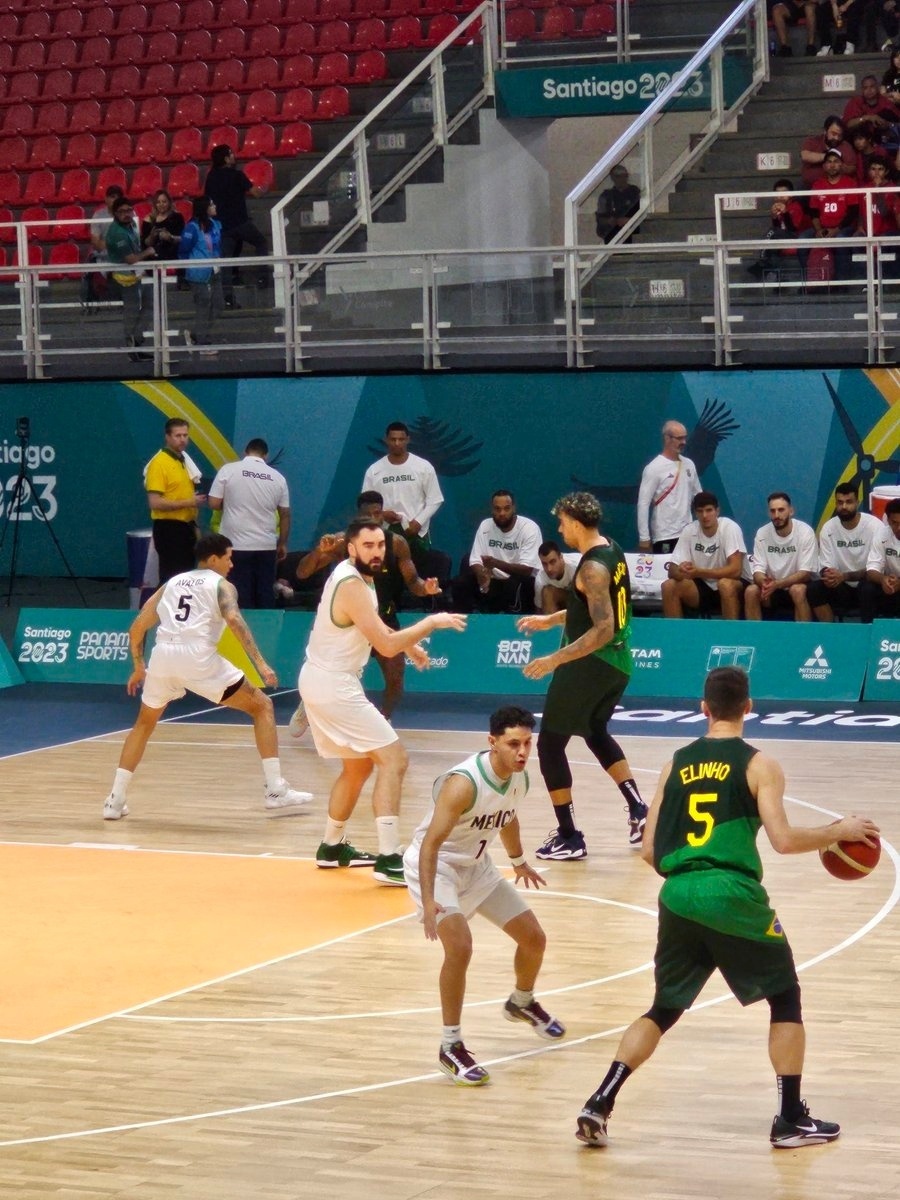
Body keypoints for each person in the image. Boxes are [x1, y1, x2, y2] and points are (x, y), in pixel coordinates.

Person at [575, 666, 880, 1150]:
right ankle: (789, 1119)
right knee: (785, 997)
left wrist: (689, 881)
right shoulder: (759, 764)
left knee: (664, 1007)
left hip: (677, 892)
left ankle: (600, 1101)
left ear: (704, 708)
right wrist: (835, 832)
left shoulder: (675, 762)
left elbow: (650, 850)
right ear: (749, 708)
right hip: (731, 893)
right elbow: (782, 840)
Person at [298, 518, 467, 885]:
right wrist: (431, 623)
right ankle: (390, 858)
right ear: (351, 548)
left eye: (380, 546)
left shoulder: (359, 578)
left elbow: (375, 629)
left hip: (325, 680)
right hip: (333, 684)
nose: (376, 552)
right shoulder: (351, 584)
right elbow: (385, 645)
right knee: (394, 759)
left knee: (357, 767)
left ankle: (331, 846)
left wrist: (412, 646)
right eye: (368, 546)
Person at [403, 705, 566, 1086]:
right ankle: (450, 1046)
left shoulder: (519, 778)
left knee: (534, 938)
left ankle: (521, 1002)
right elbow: (429, 845)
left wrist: (519, 861)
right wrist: (428, 901)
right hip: (438, 865)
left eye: (528, 743)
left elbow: (506, 816)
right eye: (514, 744)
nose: (523, 751)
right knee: (459, 947)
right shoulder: (463, 783)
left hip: (477, 866)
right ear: (492, 743)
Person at [102, 532, 313, 820]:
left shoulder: (171, 584)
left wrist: (139, 665)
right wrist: (261, 663)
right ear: (213, 558)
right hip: (197, 657)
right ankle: (275, 790)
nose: (231, 564)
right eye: (228, 557)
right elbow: (235, 621)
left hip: (163, 656)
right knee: (262, 706)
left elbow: (137, 628)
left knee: (143, 725)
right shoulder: (221, 586)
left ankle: (114, 801)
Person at [516, 492, 647, 861]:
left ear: (575, 522)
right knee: (594, 731)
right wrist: (550, 620)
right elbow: (589, 608)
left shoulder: (591, 568)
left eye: (561, 522)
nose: (560, 529)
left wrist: (555, 659)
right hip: (618, 664)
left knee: (549, 746)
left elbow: (601, 628)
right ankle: (639, 810)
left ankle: (569, 836)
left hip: (592, 663)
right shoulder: (612, 549)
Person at [289, 490, 442, 724]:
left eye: (377, 513)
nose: (373, 517)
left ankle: (384, 720)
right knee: (334, 676)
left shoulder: (397, 543)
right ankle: (308, 704)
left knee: (395, 677)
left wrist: (426, 588)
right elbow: (302, 573)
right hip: (350, 622)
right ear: (358, 516)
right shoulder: (342, 543)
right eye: (368, 514)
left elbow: (413, 582)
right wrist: (320, 551)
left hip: (384, 618)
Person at [207, 438, 291, 610]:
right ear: (265, 456)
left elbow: (214, 503)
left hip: (234, 545)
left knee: (237, 594)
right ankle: (267, 633)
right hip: (266, 546)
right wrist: (282, 543)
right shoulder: (278, 478)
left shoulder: (228, 470)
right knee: (265, 594)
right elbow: (285, 514)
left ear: (245, 452)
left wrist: (232, 504)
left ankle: (237, 634)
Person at [361, 421, 444, 572]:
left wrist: (418, 522)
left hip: (416, 533)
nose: (397, 443)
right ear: (386, 440)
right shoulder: (374, 471)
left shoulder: (423, 467)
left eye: (401, 439)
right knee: (389, 579)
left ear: (408, 440)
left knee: (420, 578)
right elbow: (366, 504)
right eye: (393, 439)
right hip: (385, 532)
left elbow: (435, 499)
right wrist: (383, 514)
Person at [661, 491, 748, 620]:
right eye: (700, 511)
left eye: (709, 510)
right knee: (668, 586)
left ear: (717, 511)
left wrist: (699, 572)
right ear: (695, 514)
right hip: (703, 586)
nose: (705, 515)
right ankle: (676, 637)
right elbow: (672, 570)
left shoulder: (730, 528)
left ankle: (730, 638)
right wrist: (682, 570)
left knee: (725, 584)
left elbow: (735, 571)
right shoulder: (689, 530)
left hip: (736, 586)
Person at [454, 490, 542, 614]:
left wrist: (495, 563)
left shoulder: (529, 528)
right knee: (460, 583)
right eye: (497, 509)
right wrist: (482, 575)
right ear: (492, 510)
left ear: (514, 508)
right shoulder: (485, 525)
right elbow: (475, 560)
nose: (502, 513)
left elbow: (527, 570)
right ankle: (463, 624)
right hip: (493, 579)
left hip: (519, 581)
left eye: (506, 509)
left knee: (513, 585)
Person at [204, 144, 269, 308]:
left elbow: (207, 200)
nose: (234, 156)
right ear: (226, 158)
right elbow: (255, 192)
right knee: (261, 242)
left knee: (226, 262)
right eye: (231, 154)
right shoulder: (237, 175)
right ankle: (263, 277)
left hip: (223, 226)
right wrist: (265, 187)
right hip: (240, 222)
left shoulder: (211, 177)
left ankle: (228, 298)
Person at [808, 481, 883, 621]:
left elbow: (877, 569)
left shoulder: (875, 526)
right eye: (840, 502)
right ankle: (830, 634)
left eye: (849, 502)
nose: (844, 507)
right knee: (814, 589)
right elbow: (825, 564)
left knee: (867, 588)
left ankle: (868, 635)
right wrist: (829, 574)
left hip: (867, 584)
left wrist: (845, 576)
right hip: (841, 587)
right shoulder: (828, 528)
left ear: (858, 502)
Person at [145, 417, 208, 584]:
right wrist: (188, 502)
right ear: (167, 437)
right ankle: (162, 610)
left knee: (185, 577)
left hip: (186, 526)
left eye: (185, 435)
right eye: (177, 435)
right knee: (171, 578)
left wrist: (194, 524)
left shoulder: (183, 461)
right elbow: (155, 502)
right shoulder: (159, 463)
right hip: (169, 529)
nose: (182, 440)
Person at [745, 492, 818, 621]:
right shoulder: (762, 533)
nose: (777, 515)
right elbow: (757, 572)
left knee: (798, 590)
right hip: (772, 589)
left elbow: (805, 574)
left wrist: (777, 584)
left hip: (797, 586)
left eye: (781, 510)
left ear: (791, 511)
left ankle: (804, 637)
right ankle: (754, 639)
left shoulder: (805, 532)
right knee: (751, 591)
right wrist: (765, 583)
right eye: (772, 511)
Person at [636, 420, 701, 554]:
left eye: (685, 437)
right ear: (667, 438)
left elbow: (698, 496)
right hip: (665, 535)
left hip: (689, 533)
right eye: (679, 438)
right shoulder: (653, 468)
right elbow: (643, 504)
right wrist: (644, 538)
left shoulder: (689, 464)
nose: (684, 442)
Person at [106, 196, 156, 362]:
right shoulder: (117, 233)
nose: (126, 214)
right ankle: (132, 347)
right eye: (122, 212)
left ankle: (137, 340)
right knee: (131, 312)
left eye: (129, 210)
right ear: (115, 213)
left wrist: (150, 239)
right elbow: (130, 259)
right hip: (124, 278)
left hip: (139, 273)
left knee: (151, 304)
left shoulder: (132, 224)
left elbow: (137, 245)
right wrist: (148, 253)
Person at [178, 194, 225, 355]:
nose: (215, 207)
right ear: (205, 208)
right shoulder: (191, 227)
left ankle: (196, 334)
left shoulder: (215, 224)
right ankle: (201, 342)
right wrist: (186, 269)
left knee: (219, 305)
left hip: (215, 269)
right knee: (203, 305)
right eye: (212, 205)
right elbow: (183, 249)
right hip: (198, 271)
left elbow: (218, 246)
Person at [809, 149, 862, 280]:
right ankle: (810, 282)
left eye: (836, 162)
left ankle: (842, 282)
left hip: (843, 227)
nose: (832, 165)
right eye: (829, 162)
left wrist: (836, 230)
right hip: (822, 227)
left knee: (841, 240)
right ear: (824, 166)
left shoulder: (850, 183)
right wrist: (819, 229)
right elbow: (813, 212)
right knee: (802, 241)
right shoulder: (817, 185)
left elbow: (853, 213)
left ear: (841, 165)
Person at [746, 179, 814, 277]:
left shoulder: (795, 206)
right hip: (785, 235)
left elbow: (792, 229)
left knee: (772, 232)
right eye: (777, 194)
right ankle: (777, 276)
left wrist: (785, 213)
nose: (780, 196)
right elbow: (779, 228)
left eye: (784, 193)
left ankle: (762, 263)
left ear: (791, 195)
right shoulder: (778, 206)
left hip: (798, 237)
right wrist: (774, 217)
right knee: (773, 241)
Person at [860, 495, 900, 620]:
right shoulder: (881, 534)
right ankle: (868, 631)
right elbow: (871, 570)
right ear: (888, 521)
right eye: (895, 523)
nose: (899, 528)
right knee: (866, 588)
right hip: (889, 586)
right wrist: (883, 579)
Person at [800, 115, 857, 189]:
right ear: (825, 131)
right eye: (833, 134)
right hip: (810, 187)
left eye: (840, 135)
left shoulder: (846, 146)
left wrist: (839, 166)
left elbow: (852, 168)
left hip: (837, 188)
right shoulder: (812, 141)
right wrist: (829, 156)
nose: (836, 138)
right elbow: (805, 156)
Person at [595, 163, 641, 244]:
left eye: (624, 176)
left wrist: (630, 220)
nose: (622, 179)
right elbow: (600, 219)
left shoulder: (635, 192)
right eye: (618, 176)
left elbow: (644, 213)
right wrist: (610, 221)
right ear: (612, 178)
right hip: (613, 236)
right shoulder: (606, 196)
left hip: (634, 235)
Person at [842, 73, 900, 138]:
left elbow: (897, 122)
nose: (869, 90)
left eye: (872, 86)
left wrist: (888, 125)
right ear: (862, 90)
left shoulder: (886, 102)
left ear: (877, 88)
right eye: (865, 88)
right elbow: (847, 125)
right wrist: (867, 118)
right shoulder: (855, 102)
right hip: (859, 140)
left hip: (883, 141)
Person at [534, 540, 581, 614]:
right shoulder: (540, 578)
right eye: (544, 564)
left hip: (584, 601)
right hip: (563, 603)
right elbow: (539, 609)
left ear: (561, 557)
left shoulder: (578, 565)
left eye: (552, 562)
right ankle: (553, 626)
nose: (549, 569)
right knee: (548, 592)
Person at [140, 189, 184, 267]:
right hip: (153, 257)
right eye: (158, 202)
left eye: (164, 202)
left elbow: (183, 239)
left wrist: (170, 238)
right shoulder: (148, 219)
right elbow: (145, 243)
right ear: (154, 204)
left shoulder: (177, 217)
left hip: (172, 255)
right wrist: (152, 236)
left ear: (169, 202)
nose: (161, 204)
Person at [89, 183, 125, 261]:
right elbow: (96, 244)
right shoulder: (98, 216)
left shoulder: (129, 214)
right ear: (106, 199)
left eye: (118, 198)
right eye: (112, 197)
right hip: (103, 257)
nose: (116, 200)